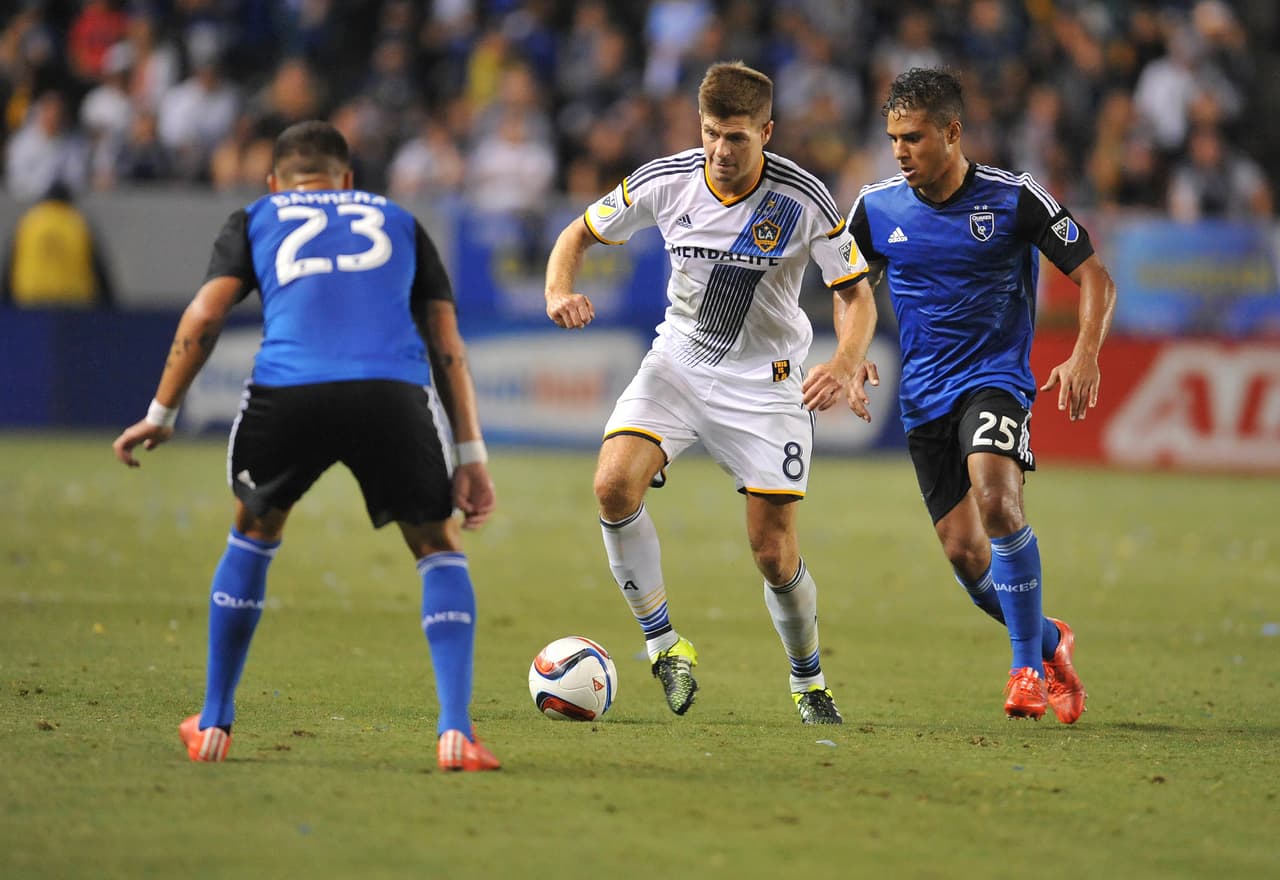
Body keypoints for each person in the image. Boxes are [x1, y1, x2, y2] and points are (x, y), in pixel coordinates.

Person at [111, 120, 500, 771]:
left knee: (254, 531)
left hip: (290, 392)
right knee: (436, 545)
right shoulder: (399, 219)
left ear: (274, 181)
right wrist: (471, 456)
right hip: (389, 393)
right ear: (348, 180)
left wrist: (161, 412)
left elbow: (205, 315)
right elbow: (446, 342)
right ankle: (456, 733)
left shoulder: (258, 214)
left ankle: (213, 723)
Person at [544, 61, 878, 724]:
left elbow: (855, 295)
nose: (721, 152)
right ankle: (665, 647)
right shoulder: (666, 181)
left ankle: (808, 682)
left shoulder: (803, 197)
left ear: (767, 133)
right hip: (679, 363)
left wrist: (845, 359)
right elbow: (576, 233)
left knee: (773, 552)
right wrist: (558, 289)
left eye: (737, 138)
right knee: (612, 485)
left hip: (768, 383)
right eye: (711, 134)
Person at [845, 68, 1117, 722]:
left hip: (994, 381)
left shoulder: (1015, 198)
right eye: (893, 140)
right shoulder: (875, 208)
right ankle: (1051, 641)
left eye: (913, 138)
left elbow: (1095, 278)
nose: (901, 152)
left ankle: (1025, 669)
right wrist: (849, 355)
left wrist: (1085, 353)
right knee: (967, 556)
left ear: (953, 132)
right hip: (923, 400)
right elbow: (848, 288)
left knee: (998, 499)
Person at [2, 182, 115, 309]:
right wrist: (111, 306)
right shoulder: (79, 223)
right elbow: (99, 269)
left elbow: (10, 267)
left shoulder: (28, 223)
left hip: (30, 302)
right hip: (73, 304)